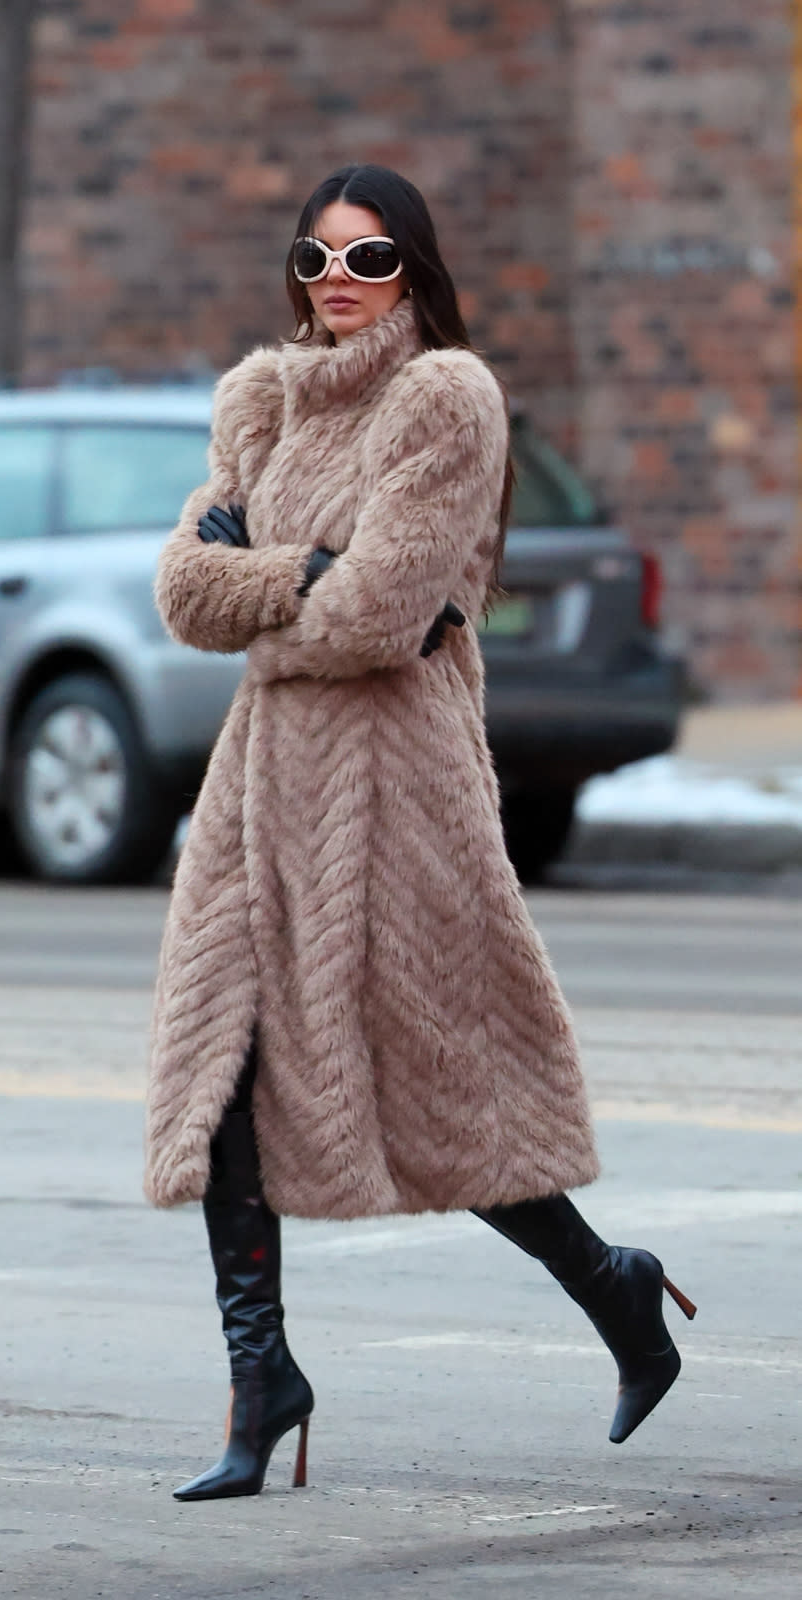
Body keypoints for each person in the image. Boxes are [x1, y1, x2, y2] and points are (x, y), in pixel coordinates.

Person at [145, 163, 696, 1503]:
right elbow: (181, 594)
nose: (339, 284)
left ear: (416, 270)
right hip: (260, 788)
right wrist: (294, 578)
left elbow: (379, 619)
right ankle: (260, 1376)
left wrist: (262, 586)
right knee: (220, 1077)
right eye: (317, 259)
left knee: (439, 1095)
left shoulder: (445, 400)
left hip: (395, 788)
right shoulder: (258, 399)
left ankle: (614, 1289)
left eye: (370, 260)